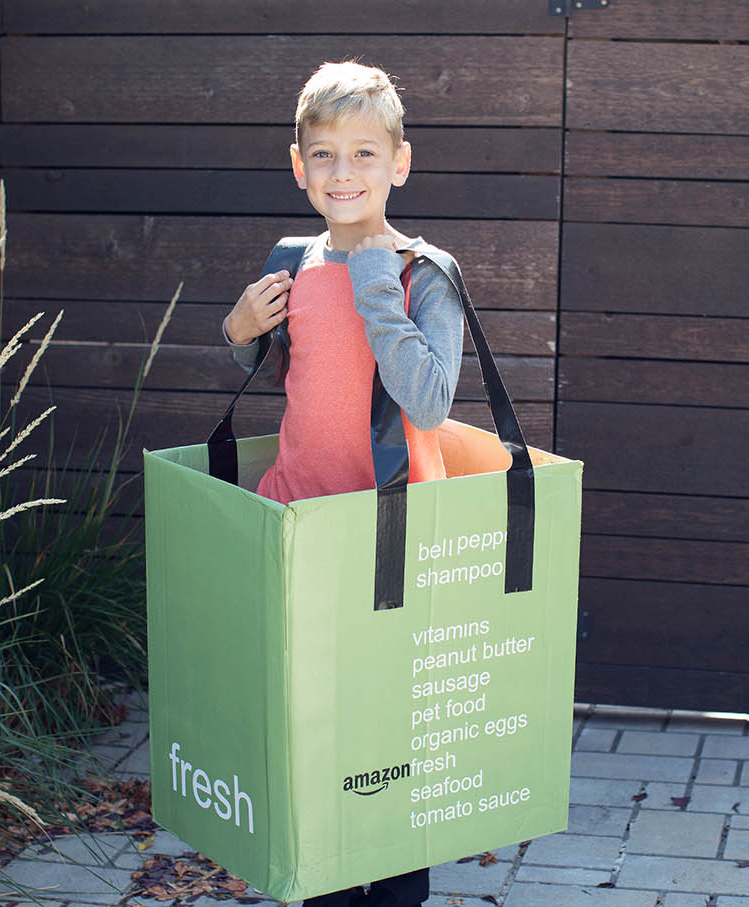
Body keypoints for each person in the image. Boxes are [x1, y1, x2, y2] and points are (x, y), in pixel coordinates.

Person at [221, 60, 466, 907]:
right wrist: (238, 326)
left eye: (365, 153)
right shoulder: (292, 259)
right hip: (294, 526)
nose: (344, 173)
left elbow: (429, 400)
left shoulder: (423, 271)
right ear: (299, 167)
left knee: (386, 734)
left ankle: (397, 889)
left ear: (400, 163)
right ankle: (321, 882)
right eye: (323, 155)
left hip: (385, 542)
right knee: (308, 734)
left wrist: (375, 284)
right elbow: (284, 363)